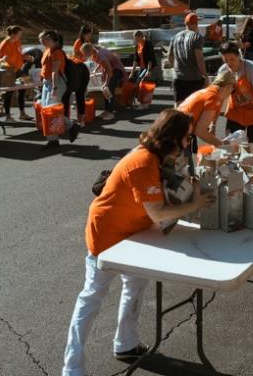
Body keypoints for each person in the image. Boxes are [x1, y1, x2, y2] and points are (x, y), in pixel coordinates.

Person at [62, 110, 212, 375]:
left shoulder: (160, 155)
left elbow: (167, 194)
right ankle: (72, 367)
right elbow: (159, 213)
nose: (190, 142)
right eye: (187, 137)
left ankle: (125, 344)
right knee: (93, 297)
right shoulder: (143, 162)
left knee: (135, 286)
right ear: (173, 137)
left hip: (135, 232)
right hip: (107, 234)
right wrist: (194, 204)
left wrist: (189, 187)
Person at [216, 43, 253, 143]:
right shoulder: (223, 71)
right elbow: (218, 100)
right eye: (225, 60)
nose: (229, 63)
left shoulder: (251, 68)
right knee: (232, 146)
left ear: (239, 56)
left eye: (232, 59)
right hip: (235, 112)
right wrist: (213, 124)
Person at [39, 30, 80, 147]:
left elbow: (54, 72)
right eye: (40, 40)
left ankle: (55, 139)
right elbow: (45, 68)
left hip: (56, 83)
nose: (41, 42)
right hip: (48, 83)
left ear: (52, 40)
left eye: (43, 40)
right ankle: (60, 134)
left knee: (51, 111)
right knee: (48, 110)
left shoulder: (57, 52)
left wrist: (55, 88)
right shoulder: (48, 50)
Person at [177, 70, 236, 149]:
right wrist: (222, 145)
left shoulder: (212, 91)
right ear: (229, 87)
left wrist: (213, 126)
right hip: (178, 134)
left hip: (177, 127)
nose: (231, 93)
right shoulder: (213, 98)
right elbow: (200, 131)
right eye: (233, 89)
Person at [165, 13, 207, 104]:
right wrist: (205, 76)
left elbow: (169, 56)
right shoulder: (197, 37)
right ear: (196, 24)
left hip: (178, 77)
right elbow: (199, 59)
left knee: (179, 106)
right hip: (194, 78)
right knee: (194, 106)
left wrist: (176, 68)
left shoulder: (175, 37)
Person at [0, 25, 32, 121]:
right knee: (9, 91)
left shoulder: (17, 42)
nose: (20, 37)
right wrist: (3, 59)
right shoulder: (5, 43)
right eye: (19, 35)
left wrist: (25, 57)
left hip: (17, 69)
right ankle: (8, 116)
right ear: (12, 34)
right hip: (9, 71)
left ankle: (22, 113)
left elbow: (19, 54)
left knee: (23, 88)